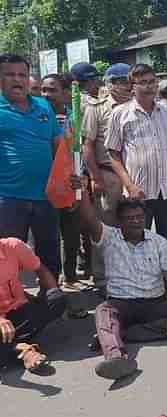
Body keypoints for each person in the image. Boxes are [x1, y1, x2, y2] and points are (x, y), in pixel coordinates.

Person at [73, 175, 167, 380]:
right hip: (121, 303)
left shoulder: (159, 242)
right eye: (130, 218)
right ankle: (116, 357)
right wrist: (82, 192)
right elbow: (90, 218)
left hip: (154, 303)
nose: (136, 221)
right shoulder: (109, 237)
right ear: (120, 221)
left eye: (139, 217)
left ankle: (115, 334)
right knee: (103, 311)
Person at [105, 63, 167, 266]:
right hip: (138, 192)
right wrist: (129, 186)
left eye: (152, 82)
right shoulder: (120, 114)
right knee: (136, 242)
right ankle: (140, 286)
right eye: (143, 83)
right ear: (132, 86)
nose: (150, 87)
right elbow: (113, 154)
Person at [0, 54, 62, 278]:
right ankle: (11, 306)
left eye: (22, 75)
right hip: (8, 198)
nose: (17, 80)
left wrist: (66, 181)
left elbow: (58, 147)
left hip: (45, 196)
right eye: (9, 75)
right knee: (8, 257)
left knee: (50, 253)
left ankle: (53, 301)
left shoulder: (44, 107)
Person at [82, 63, 131, 288]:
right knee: (105, 228)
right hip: (107, 175)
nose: (126, 86)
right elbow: (88, 146)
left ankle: (130, 272)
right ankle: (102, 277)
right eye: (121, 82)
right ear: (110, 83)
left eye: (128, 81)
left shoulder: (137, 106)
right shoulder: (97, 108)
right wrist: (94, 177)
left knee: (133, 225)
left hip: (133, 176)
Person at [41, 73, 88, 285]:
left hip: (70, 184)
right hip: (43, 185)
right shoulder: (37, 117)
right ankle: (50, 282)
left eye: (52, 90)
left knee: (71, 236)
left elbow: (82, 151)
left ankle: (69, 277)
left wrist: (82, 181)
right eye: (44, 90)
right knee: (49, 238)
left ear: (65, 93)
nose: (46, 94)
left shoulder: (75, 118)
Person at [0, 238, 66, 372]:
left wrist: (53, 290)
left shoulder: (12, 246)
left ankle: (10, 344)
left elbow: (40, 268)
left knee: (56, 299)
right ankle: (21, 348)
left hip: (21, 312)